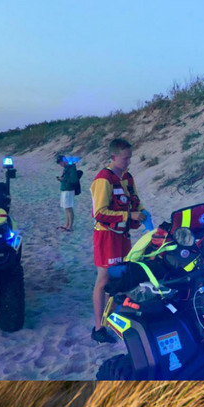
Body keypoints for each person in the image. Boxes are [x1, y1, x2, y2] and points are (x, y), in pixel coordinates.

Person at [91, 139, 143, 343]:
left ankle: (113, 318)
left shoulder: (128, 178)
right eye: (125, 158)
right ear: (113, 157)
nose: (128, 161)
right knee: (104, 280)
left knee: (121, 277)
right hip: (106, 236)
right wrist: (129, 216)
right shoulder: (103, 179)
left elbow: (135, 200)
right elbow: (99, 213)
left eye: (130, 157)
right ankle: (98, 328)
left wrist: (141, 212)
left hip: (123, 236)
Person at [56, 155, 82, 231]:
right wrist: (62, 179)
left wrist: (63, 179)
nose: (60, 165)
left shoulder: (71, 168)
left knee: (69, 208)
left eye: (60, 163)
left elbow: (73, 180)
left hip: (69, 190)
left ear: (64, 161)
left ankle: (70, 226)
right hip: (65, 189)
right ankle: (67, 224)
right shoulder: (67, 168)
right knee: (66, 208)